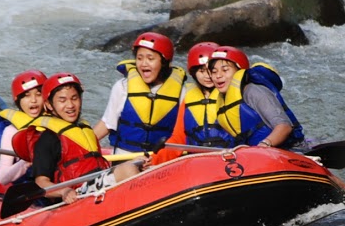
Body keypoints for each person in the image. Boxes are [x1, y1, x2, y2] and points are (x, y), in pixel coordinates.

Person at [171, 45, 307, 150]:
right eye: (214, 72)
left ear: (239, 71)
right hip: (258, 156)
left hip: (290, 150)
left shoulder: (254, 91)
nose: (218, 76)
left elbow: (284, 126)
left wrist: (264, 145)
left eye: (225, 70)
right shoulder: (222, 103)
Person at [93, 32, 185, 181]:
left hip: (159, 163)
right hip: (125, 161)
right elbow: (107, 124)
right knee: (130, 172)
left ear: (164, 62)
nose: (143, 64)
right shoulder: (123, 87)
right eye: (139, 58)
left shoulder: (181, 91)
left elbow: (181, 134)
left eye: (150, 59)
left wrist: (159, 158)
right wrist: (79, 144)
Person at [26, 73, 111, 205]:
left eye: (74, 98)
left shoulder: (84, 129)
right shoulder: (48, 139)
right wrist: (63, 191)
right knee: (126, 170)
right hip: (78, 194)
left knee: (134, 166)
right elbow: (41, 182)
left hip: (99, 185)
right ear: (49, 105)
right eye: (62, 100)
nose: (70, 105)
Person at [0, 70, 49, 185]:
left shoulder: (58, 122)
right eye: (27, 96)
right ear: (18, 101)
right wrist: (26, 162)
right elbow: (3, 178)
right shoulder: (11, 131)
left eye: (38, 94)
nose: (33, 100)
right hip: (30, 186)